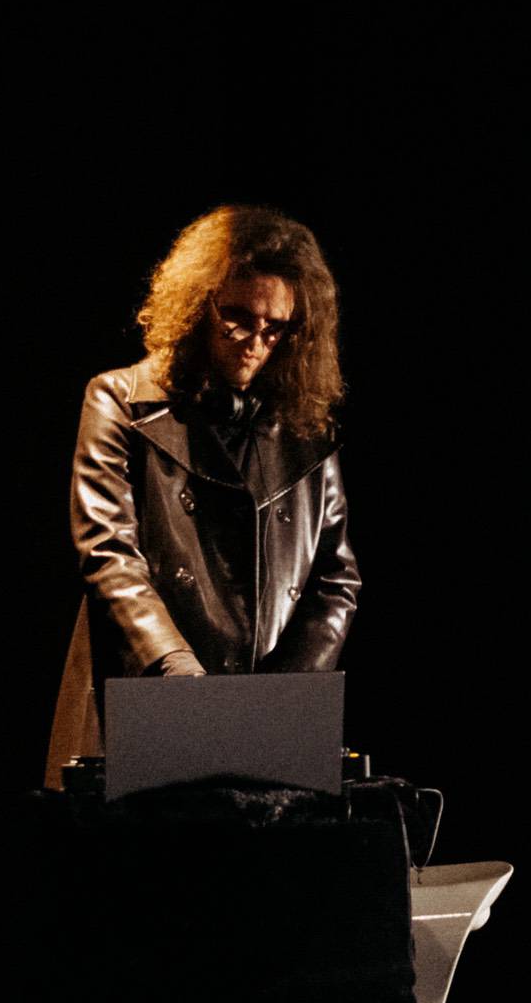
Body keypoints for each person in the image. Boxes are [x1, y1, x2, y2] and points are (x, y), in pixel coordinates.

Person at [45, 202, 362, 774]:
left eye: (276, 328)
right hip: (143, 699)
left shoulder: (307, 431)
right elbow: (109, 554)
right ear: (198, 305)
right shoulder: (118, 400)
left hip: (265, 722)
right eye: (237, 318)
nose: (255, 341)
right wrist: (177, 672)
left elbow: (335, 579)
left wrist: (282, 700)